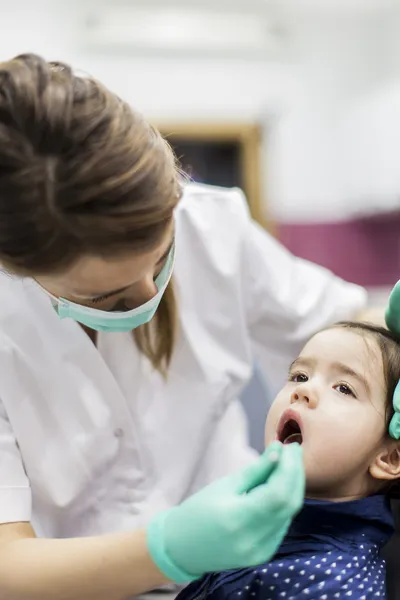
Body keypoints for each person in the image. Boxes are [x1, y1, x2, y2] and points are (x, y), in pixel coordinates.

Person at [0, 52, 372, 599]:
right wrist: (165, 548)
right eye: (110, 295)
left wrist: (387, 330)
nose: (153, 294)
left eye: (163, 255)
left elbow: (338, 323)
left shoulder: (210, 227)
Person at [175, 321, 400, 600]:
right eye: (300, 376)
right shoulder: (255, 526)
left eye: (343, 388)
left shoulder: (337, 585)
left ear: (390, 458)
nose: (302, 391)